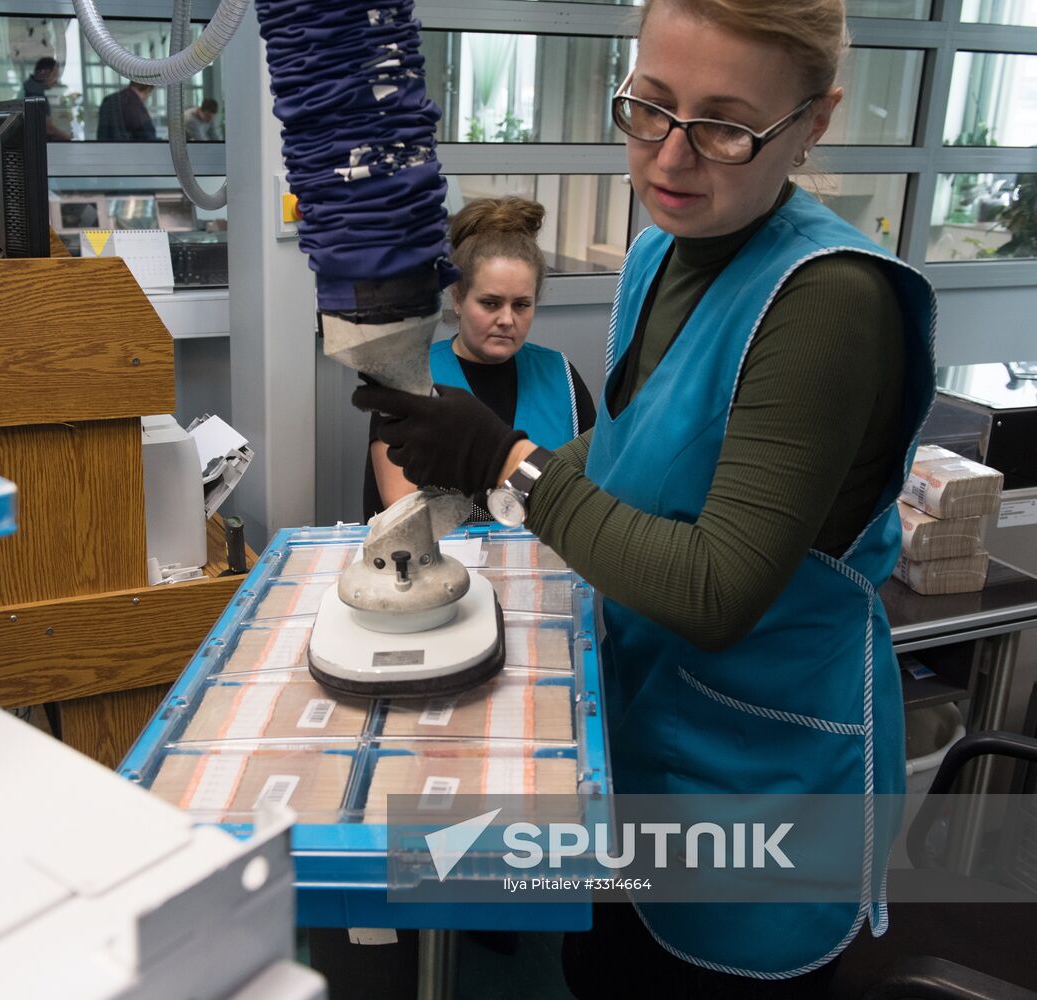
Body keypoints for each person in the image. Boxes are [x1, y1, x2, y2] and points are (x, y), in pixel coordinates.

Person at [354, 0, 936, 995]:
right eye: (648, 107)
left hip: (755, 778)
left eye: (721, 125)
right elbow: (633, 444)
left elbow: (716, 588)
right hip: (643, 734)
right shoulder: (665, 246)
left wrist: (507, 462)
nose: (669, 158)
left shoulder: (827, 302)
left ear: (812, 121)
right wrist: (475, 465)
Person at [363, 196, 595, 521]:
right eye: (490, 303)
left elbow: (592, 489)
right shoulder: (411, 379)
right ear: (457, 298)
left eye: (521, 305)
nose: (506, 319)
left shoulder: (562, 377)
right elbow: (402, 509)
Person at [22, 57, 71, 142]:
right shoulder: (34, 94)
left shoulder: (29, 89)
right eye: (55, 76)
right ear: (44, 73)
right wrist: (67, 138)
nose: (56, 82)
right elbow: (47, 127)